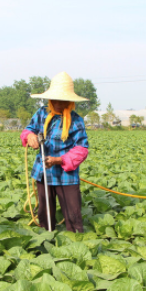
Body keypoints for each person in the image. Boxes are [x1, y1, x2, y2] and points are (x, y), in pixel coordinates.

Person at [20, 72, 89, 233]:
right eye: (55, 99)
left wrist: (59, 160)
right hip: (43, 171)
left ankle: (75, 239)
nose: (58, 103)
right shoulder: (42, 113)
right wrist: (30, 137)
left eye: (63, 99)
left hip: (66, 174)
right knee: (44, 212)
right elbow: (28, 130)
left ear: (70, 101)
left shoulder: (76, 120)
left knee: (73, 213)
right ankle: (45, 240)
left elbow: (81, 148)